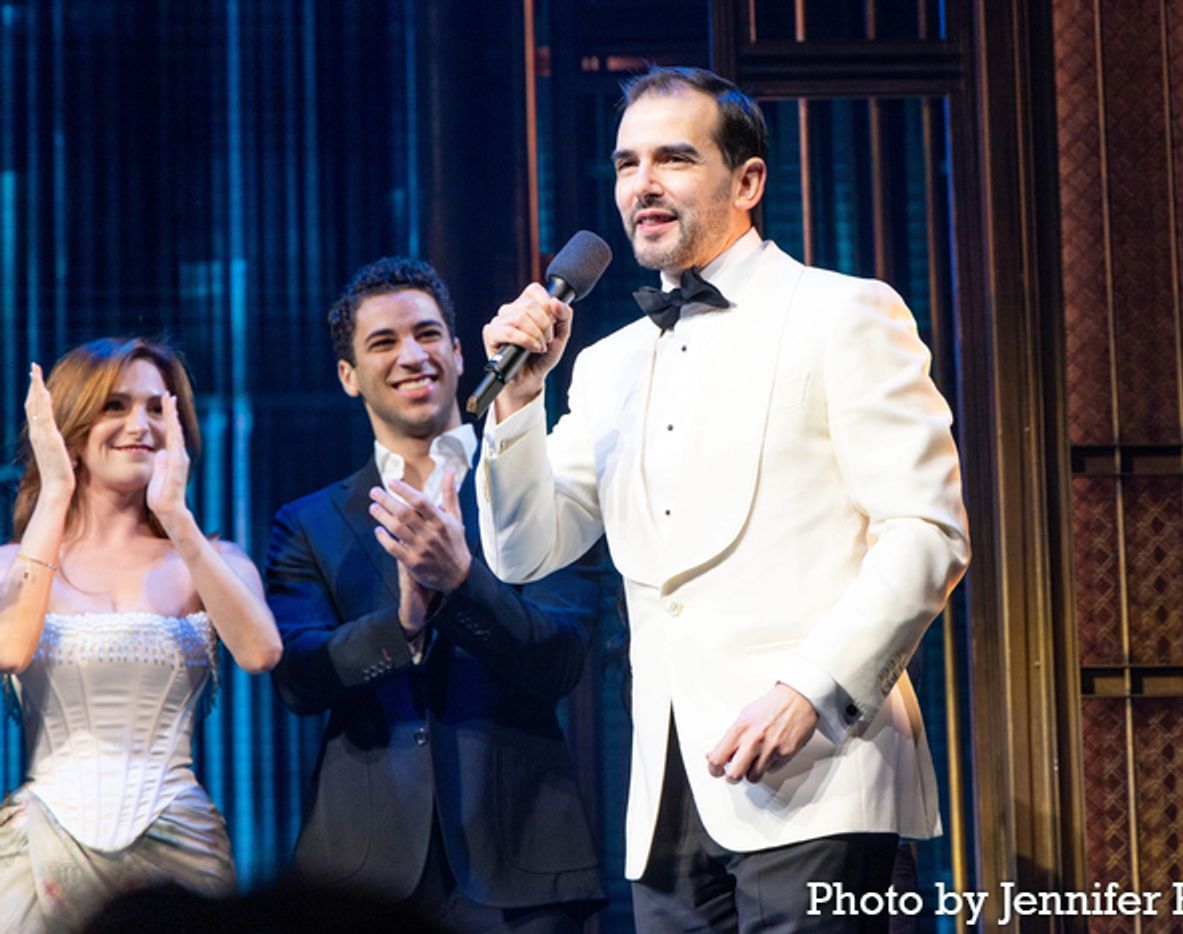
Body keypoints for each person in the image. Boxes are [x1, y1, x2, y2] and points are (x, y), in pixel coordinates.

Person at [479, 66, 971, 932]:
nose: (643, 184)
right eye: (627, 164)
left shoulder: (843, 313)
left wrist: (810, 690)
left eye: (673, 159)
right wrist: (518, 403)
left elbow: (927, 533)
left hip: (821, 772)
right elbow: (525, 551)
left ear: (747, 182)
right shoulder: (607, 365)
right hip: (668, 797)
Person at [265, 257, 605, 933]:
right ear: (348, 375)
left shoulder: (537, 488)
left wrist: (460, 583)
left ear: (458, 350)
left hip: (523, 863)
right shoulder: (308, 523)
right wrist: (403, 625)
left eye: (426, 334)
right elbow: (298, 678)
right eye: (383, 342)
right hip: (360, 876)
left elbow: (562, 656)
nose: (411, 356)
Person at [0, 338, 283, 933]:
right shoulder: (10, 566)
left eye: (157, 407)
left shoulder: (214, 559)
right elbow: (12, 649)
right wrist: (55, 493)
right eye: (116, 405)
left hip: (176, 840)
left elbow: (261, 652)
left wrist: (177, 518)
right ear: (72, 424)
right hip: (43, 845)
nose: (140, 425)